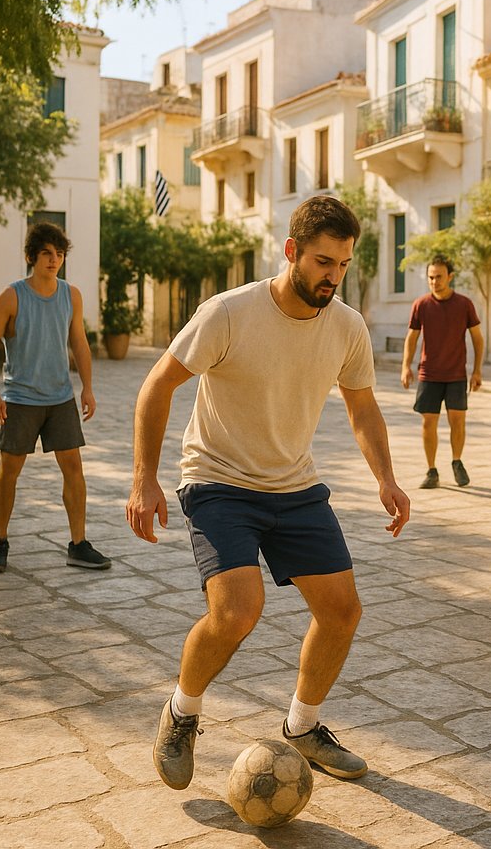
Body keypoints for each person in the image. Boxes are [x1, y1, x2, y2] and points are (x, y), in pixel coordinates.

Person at [126, 195, 410, 791]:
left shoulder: (347, 326)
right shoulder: (229, 313)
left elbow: (362, 406)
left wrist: (386, 477)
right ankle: (181, 713)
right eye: (322, 262)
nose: (333, 276)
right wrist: (144, 478)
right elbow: (157, 386)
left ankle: (303, 727)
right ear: (291, 252)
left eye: (342, 265)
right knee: (236, 611)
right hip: (218, 479)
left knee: (342, 611)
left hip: (295, 484)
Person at [0, 222, 109, 574]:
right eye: (47, 253)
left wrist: (88, 387)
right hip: (19, 398)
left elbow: (78, 342)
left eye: (59, 254)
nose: (54, 260)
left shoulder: (71, 295)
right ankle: (0, 542)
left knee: (74, 470)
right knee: (9, 472)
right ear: (32, 257)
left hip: (60, 399)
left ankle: (78, 544)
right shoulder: (12, 296)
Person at [401, 255, 484, 489]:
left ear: (450, 277)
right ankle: (432, 470)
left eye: (438, 277)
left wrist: (477, 371)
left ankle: (457, 462)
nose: (434, 281)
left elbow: (477, 339)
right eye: (430, 277)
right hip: (429, 374)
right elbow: (412, 337)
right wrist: (406, 366)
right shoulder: (421, 305)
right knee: (429, 423)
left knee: (458, 421)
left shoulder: (465, 304)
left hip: (457, 374)